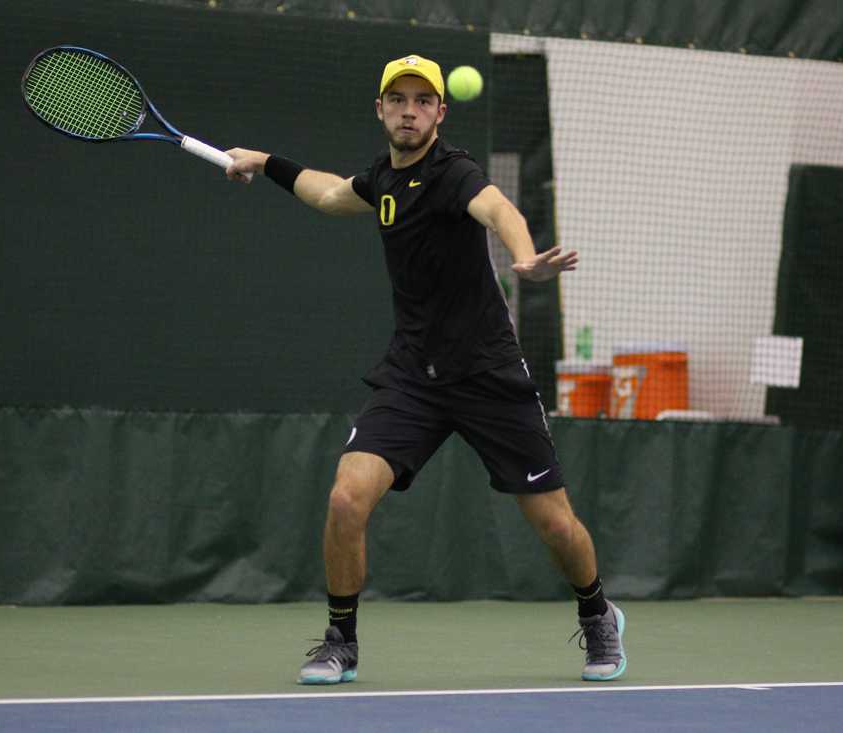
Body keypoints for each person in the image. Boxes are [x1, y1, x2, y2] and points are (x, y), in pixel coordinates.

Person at [224, 54, 625, 685]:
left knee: (554, 524)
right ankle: (340, 641)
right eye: (398, 100)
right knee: (346, 498)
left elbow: (499, 211)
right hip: (413, 374)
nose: (409, 110)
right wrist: (266, 162)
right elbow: (330, 195)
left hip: (489, 374)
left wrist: (524, 260)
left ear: (440, 112)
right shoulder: (384, 179)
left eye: (422, 101)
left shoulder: (453, 172)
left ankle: (597, 611)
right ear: (380, 108)